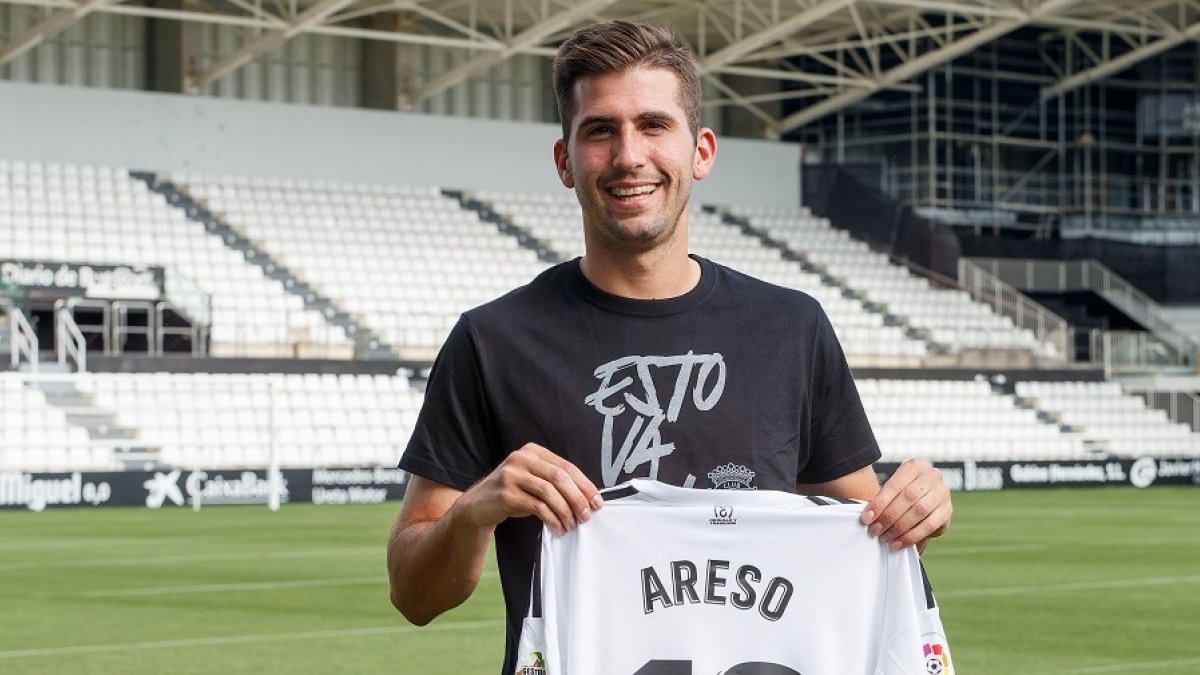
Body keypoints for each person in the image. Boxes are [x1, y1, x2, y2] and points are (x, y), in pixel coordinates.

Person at [387, 20, 952, 675]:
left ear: (701, 151)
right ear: (565, 160)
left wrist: (916, 511)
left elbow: (864, 539)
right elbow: (413, 596)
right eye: (600, 130)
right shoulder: (491, 341)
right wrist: (473, 512)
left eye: (654, 125)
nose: (629, 155)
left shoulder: (791, 327)